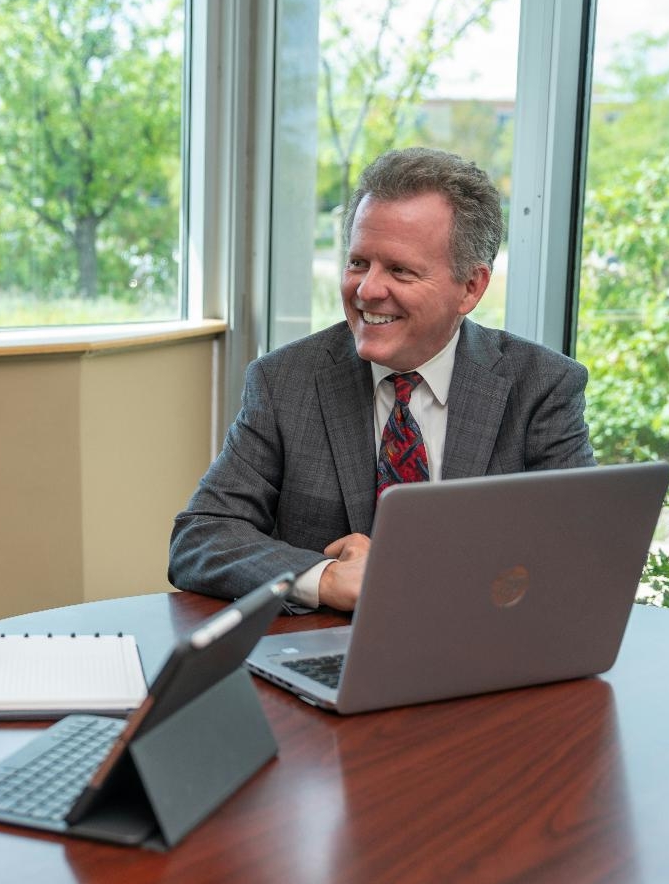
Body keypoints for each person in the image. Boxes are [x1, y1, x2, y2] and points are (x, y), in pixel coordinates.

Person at [168, 147, 594, 611]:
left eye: (400, 270)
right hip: (324, 655)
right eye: (357, 263)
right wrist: (325, 578)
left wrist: (425, 578)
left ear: (471, 287)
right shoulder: (284, 380)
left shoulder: (542, 388)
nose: (367, 290)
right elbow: (202, 536)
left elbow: (577, 555)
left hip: (479, 651)